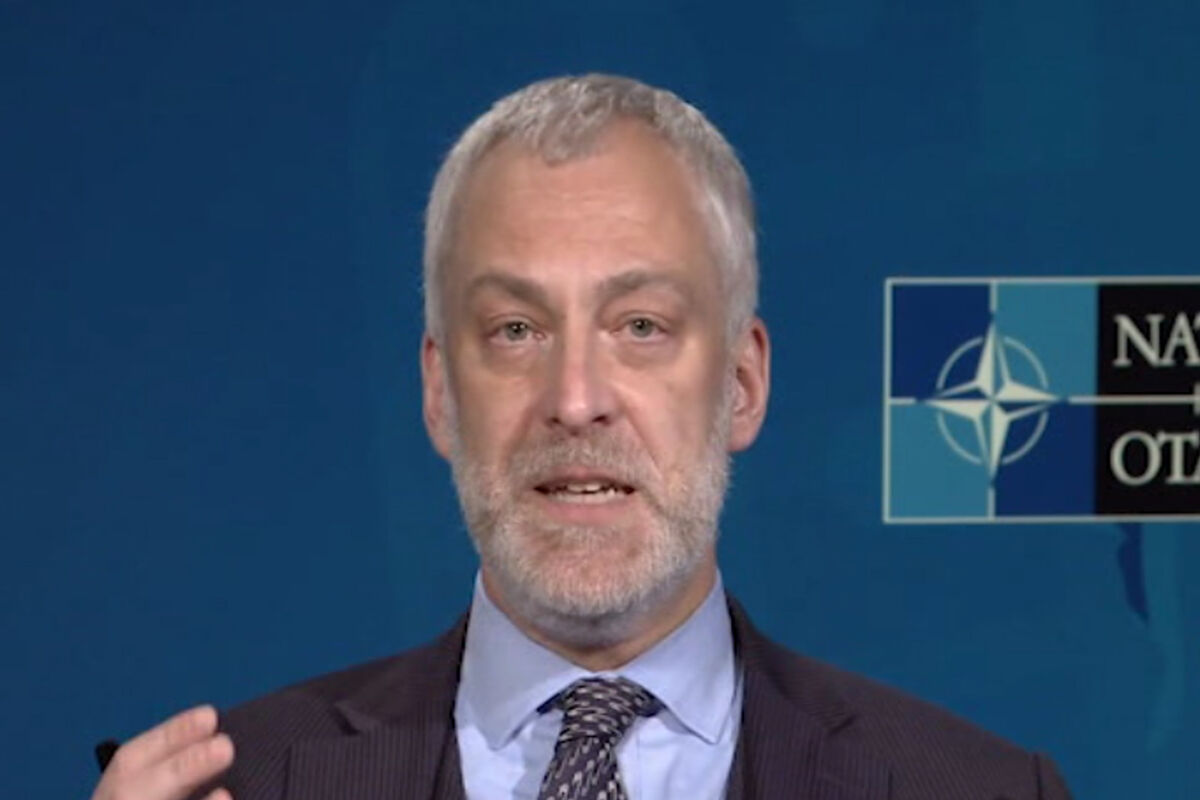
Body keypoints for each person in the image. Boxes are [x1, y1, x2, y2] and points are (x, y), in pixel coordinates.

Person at [90, 74, 1073, 800]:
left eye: (640, 326)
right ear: (439, 392)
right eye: (516, 330)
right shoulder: (248, 781)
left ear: (740, 385)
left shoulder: (978, 791)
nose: (575, 399)